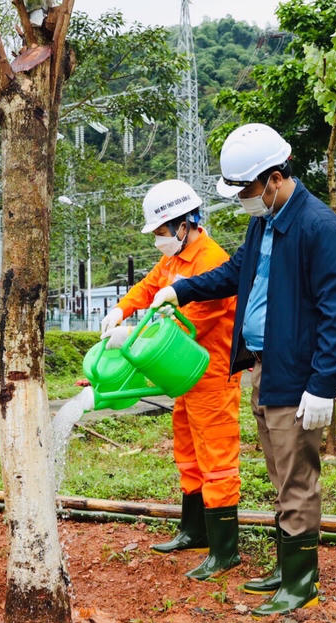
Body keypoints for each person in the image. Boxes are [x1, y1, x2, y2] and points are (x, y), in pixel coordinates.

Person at [150, 123, 336, 615]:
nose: (242, 198)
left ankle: (301, 582)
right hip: (264, 366)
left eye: (245, 189)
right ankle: (287, 568)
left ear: (274, 178)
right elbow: (233, 272)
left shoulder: (318, 227)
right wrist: (181, 289)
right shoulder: (264, 223)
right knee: (279, 470)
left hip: (298, 373)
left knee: (297, 476)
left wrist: (324, 384)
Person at [100, 179, 243, 580]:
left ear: (184, 225)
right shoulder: (175, 259)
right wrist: (122, 309)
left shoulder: (211, 262)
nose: (158, 240)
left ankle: (224, 550)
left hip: (211, 376)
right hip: (183, 378)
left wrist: (131, 336)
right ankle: (194, 531)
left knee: (217, 461)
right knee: (188, 454)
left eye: (161, 232)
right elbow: (149, 287)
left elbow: (183, 327)